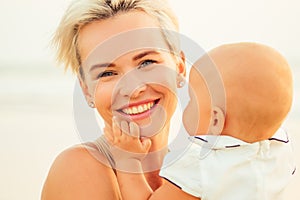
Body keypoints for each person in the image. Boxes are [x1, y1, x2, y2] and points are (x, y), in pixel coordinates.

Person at [108, 42, 296, 199]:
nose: (186, 105)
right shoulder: (280, 151)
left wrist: (127, 160)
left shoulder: (199, 167)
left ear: (215, 120)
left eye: (191, 100)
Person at [41, 0, 186, 199]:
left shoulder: (191, 175)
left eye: (146, 62)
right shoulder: (79, 166)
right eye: (107, 73)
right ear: (86, 91)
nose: (133, 89)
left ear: (180, 67)